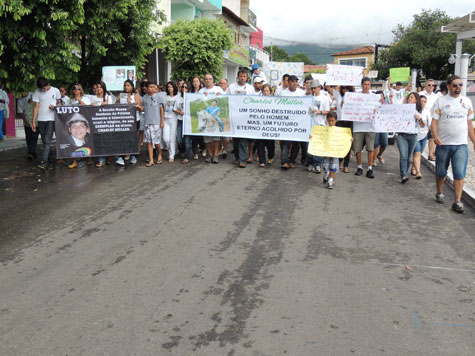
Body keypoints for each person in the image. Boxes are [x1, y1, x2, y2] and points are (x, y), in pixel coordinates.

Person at [431, 75, 475, 213]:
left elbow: (469, 124)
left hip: (461, 144)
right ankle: (439, 192)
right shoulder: (440, 101)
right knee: (441, 171)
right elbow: (434, 122)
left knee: (459, 173)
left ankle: (457, 201)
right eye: (455, 85)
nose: (458, 87)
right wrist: (435, 136)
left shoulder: (467, 101)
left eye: (460, 85)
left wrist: (474, 141)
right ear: (449, 86)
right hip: (443, 144)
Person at [32, 77, 62, 169]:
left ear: (48, 84)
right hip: (41, 119)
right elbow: (36, 106)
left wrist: (55, 107)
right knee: (45, 141)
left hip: (51, 119)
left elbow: (60, 103)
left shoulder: (56, 91)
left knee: (47, 140)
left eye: (44, 88)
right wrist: (34, 121)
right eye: (41, 88)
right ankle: (51, 160)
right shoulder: (37, 92)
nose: (43, 90)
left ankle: (44, 162)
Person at [227, 69, 255, 168]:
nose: (242, 78)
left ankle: (242, 160)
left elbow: (253, 102)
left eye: (244, 76)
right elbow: (226, 99)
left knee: (243, 139)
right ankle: (237, 157)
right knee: (235, 140)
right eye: (241, 76)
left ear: (247, 78)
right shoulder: (231, 87)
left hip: (245, 117)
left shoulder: (250, 88)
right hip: (234, 117)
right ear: (238, 77)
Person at [278, 75, 306, 170]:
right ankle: (284, 161)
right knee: (285, 142)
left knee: (296, 143)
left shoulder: (302, 93)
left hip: (298, 121)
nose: (294, 83)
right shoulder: (282, 93)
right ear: (288, 82)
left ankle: (292, 160)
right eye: (292, 81)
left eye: (296, 81)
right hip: (286, 121)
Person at [352, 77, 376, 178]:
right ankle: (359, 167)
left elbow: (379, 108)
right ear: (362, 85)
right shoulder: (356, 96)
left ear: (370, 86)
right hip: (358, 126)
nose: (367, 86)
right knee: (357, 148)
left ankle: (370, 168)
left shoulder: (374, 97)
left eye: (368, 84)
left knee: (370, 148)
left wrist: (376, 111)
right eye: (365, 84)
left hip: (370, 126)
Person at [396, 92, 423, 184]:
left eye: (412, 97)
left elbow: (422, 125)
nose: (410, 98)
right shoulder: (403, 108)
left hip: (412, 136)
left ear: (416, 100)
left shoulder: (418, 111)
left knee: (408, 157)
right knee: (403, 156)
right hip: (402, 135)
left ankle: (405, 172)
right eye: (409, 97)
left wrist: (419, 118)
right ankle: (404, 175)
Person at [115, 80, 142, 166]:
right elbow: (115, 107)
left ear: (132, 87)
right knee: (123, 138)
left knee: (132, 138)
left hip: (134, 120)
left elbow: (140, 108)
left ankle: (133, 155)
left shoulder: (136, 96)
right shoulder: (121, 95)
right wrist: (117, 100)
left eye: (128, 85)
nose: (126, 87)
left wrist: (131, 103)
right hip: (123, 120)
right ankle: (121, 156)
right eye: (125, 85)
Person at [199, 73, 225, 164]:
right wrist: (203, 97)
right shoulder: (201, 91)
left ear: (213, 80)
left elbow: (225, 100)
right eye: (206, 79)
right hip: (206, 118)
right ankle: (210, 155)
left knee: (216, 138)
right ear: (204, 80)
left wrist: (220, 95)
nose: (208, 80)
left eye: (210, 79)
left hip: (215, 118)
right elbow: (199, 103)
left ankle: (216, 155)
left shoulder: (219, 89)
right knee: (207, 138)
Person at [321, 111, 351, 189]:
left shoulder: (339, 130)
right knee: (326, 165)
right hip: (326, 151)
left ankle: (331, 180)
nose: (331, 122)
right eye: (329, 121)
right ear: (327, 120)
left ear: (336, 121)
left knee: (333, 165)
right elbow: (318, 137)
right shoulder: (323, 129)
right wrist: (312, 137)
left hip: (335, 151)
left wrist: (350, 139)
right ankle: (326, 173)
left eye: (332, 121)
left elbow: (344, 138)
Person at [307, 79, 330, 173]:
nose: (313, 90)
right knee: (309, 145)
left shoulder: (324, 98)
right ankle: (310, 163)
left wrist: (319, 112)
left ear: (319, 88)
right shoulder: (309, 98)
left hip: (320, 125)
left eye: (315, 88)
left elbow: (327, 111)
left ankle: (317, 164)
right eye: (312, 88)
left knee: (319, 146)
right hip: (309, 125)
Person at [67, 84, 91, 169]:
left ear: (81, 90)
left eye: (78, 88)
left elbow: (88, 108)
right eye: (74, 88)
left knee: (86, 141)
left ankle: (89, 159)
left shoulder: (85, 98)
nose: (76, 90)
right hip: (73, 124)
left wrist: (79, 100)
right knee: (73, 142)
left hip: (83, 123)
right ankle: (74, 161)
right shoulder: (70, 100)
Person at [142, 81, 165, 167]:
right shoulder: (144, 98)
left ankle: (159, 153)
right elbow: (144, 108)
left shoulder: (159, 97)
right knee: (149, 141)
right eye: (150, 87)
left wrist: (162, 121)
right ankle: (151, 160)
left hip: (156, 121)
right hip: (147, 122)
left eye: (154, 87)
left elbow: (161, 110)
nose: (152, 89)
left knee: (157, 141)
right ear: (147, 88)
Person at [92, 81, 114, 167]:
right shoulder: (93, 98)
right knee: (99, 141)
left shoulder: (108, 97)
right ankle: (101, 160)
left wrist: (102, 104)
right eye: (97, 87)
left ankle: (109, 157)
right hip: (96, 121)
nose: (98, 89)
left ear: (103, 88)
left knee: (107, 141)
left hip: (107, 121)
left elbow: (110, 106)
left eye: (100, 87)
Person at [334, 86, 355, 173]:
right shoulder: (338, 95)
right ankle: (340, 161)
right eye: (343, 89)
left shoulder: (354, 98)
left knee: (348, 143)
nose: (345, 90)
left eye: (347, 89)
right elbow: (328, 87)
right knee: (339, 143)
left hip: (349, 122)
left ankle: (346, 165)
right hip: (340, 121)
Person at [419, 79, 439, 162]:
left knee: (432, 137)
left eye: (433, 85)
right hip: (421, 118)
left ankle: (431, 154)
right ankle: (417, 153)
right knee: (420, 138)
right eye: (429, 85)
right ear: (425, 86)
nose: (431, 87)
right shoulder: (420, 94)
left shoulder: (437, 97)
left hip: (432, 119)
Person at [255, 84, 275, 167]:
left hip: (271, 127)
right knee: (260, 144)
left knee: (270, 146)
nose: (266, 92)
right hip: (260, 126)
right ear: (262, 92)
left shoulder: (275, 101)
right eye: (264, 91)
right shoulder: (258, 101)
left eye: (267, 91)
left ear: (270, 92)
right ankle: (262, 161)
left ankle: (270, 157)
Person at [411, 95, 430, 179]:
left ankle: (413, 167)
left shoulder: (427, 112)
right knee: (417, 153)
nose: (423, 103)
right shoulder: (413, 111)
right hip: (415, 135)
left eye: (425, 101)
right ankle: (418, 172)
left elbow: (429, 124)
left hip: (424, 136)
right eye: (421, 101)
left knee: (419, 153)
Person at [17, 91, 39, 159]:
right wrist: (26, 122)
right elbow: (21, 112)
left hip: (35, 120)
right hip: (27, 121)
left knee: (34, 137)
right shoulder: (20, 100)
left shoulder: (33, 94)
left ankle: (31, 152)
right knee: (28, 137)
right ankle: (32, 152)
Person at [162, 81, 179, 163]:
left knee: (172, 139)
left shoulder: (177, 97)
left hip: (174, 119)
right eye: (168, 87)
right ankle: (172, 149)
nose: (169, 88)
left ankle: (171, 155)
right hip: (165, 119)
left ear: (174, 88)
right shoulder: (165, 97)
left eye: (171, 87)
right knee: (165, 138)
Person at [373, 91, 388, 166]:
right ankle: (373, 159)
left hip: (383, 127)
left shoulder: (386, 105)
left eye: (382, 97)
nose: (380, 98)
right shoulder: (373, 106)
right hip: (375, 127)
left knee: (384, 143)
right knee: (375, 144)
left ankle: (379, 155)